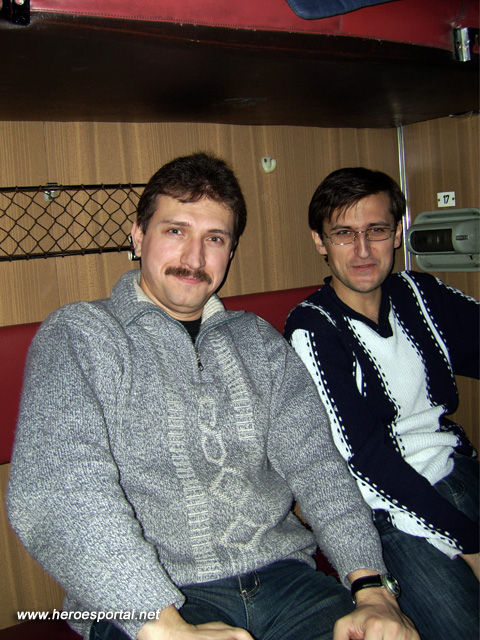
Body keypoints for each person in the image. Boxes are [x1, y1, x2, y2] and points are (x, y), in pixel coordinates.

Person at [7, 154, 418, 640]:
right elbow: (59, 490)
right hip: (153, 600)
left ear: (230, 251)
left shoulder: (258, 342)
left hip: (287, 584)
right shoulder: (81, 335)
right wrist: (162, 626)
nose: (195, 257)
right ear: (138, 237)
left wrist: (371, 588)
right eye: (175, 231)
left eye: (215, 239)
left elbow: (317, 468)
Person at [284, 166, 479, 640]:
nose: (363, 250)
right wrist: (471, 544)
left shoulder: (418, 293)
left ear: (396, 234)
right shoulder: (313, 329)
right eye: (344, 234)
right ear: (320, 242)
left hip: (459, 471)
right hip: (388, 514)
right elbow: (366, 462)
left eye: (376, 231)